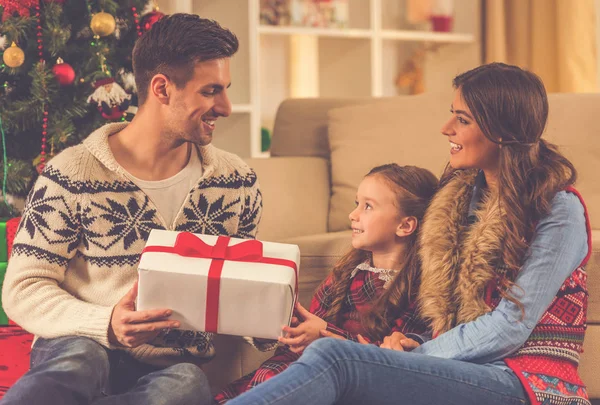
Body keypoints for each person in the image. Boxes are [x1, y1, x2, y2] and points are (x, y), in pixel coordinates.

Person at [226, 63, 592, 405]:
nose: (446, 128)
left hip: (527, 381)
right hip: (464, 370)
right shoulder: (457, 202)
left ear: (500, 130)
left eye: (462, 119)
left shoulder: (559, 209)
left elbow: (510, 326)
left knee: (336, 357)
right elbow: (448, 313)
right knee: (337, 362)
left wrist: (419, 355)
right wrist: (411, 343)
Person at [1, 14, 262, 405]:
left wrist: (276, 318)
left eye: (225, 89)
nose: (224, 107)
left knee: (186, 386)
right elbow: (22, 288)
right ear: (161, 88)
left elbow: (239, 289)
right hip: (79, 341)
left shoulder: (236, 181)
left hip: (169, 364)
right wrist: (105, 323)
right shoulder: (72, 174)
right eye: (210, 91)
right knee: (81, 359)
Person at [216, 164, 437, 403]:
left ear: (405, 225)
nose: (353, 215)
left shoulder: (422, 290)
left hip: (354, 381)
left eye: (368, 206)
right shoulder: (346, 274)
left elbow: (388, 359)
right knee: (267, 377)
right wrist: (296, 330)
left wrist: (324, 336)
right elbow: (315, 323)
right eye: (356, 204)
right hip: (302, 366)